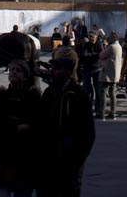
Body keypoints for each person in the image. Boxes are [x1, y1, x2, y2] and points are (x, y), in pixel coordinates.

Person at [37, 57, 95, 197]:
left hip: (70, 158)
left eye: (57, 69)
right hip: (48, 157)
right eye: (52, 68)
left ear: (68, 73)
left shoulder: (79, 95)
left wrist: (78, 157)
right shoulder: (48, 93)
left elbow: (88, 132)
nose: (52, 72)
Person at [0, 59, 41, 197]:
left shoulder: (33, 98)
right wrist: (17, 128)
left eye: (18, 70)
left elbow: (37, 125)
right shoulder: (2, 96)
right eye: (12, 70)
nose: (14, 73)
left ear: (25, 76)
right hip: (2, 155)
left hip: (25, 157)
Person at [97, 32, 123, 121]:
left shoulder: (111, 47)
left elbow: (101, 55)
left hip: (108, 72)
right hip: (115, 73)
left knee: (103, 92)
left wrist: (102, 46)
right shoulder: (119, 46)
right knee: (112, 93)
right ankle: (113, 112)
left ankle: (102, 113)